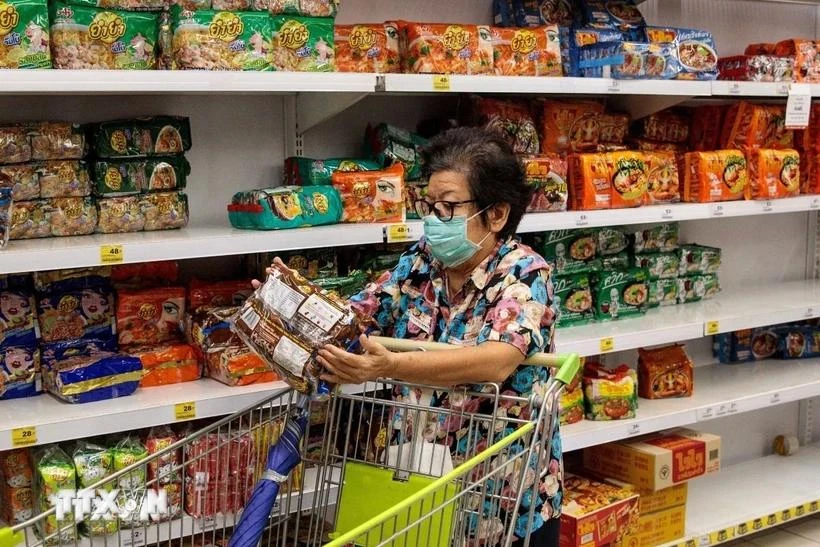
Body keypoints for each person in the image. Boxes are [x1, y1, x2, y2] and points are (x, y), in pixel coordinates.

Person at [315, 127, 561, 546]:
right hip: (419, 485)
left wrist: (390, 365)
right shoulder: (420, 265)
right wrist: (290, 310)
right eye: (428, 205)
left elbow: (495, 360)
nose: (432, 219)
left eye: (448, 207)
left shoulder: (524, 274)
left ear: (497, 214)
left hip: (499, 501)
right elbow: (360, 313)